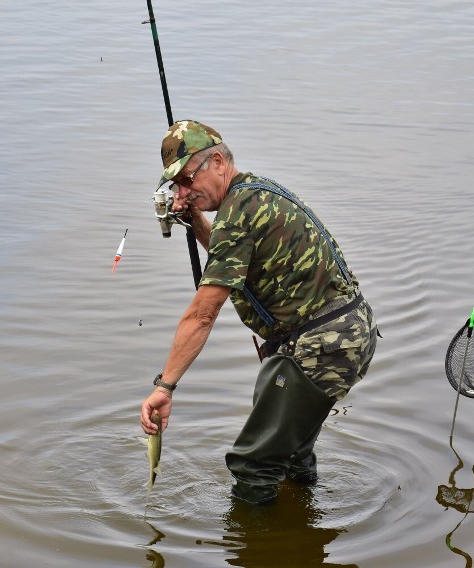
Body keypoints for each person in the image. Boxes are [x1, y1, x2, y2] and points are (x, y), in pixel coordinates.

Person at [139, 120, 378, 505]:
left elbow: (202, 315)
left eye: (187, 179)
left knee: (253, 466)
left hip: (321, 345)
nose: (183, 192)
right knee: (291, 452)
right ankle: (300, 531)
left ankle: (254, 549)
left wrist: (164, 387)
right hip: (346, 333)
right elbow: (230, 258)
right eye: (175, 186)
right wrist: (195, 220)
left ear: (217, 162)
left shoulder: (237, 214)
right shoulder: (253, 194)